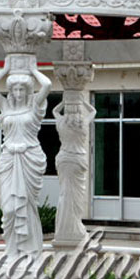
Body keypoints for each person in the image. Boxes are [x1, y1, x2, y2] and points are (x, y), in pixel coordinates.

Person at [0, 57, 51, 262]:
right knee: (10, 208)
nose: (19, 93)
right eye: (15, 89)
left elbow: (47, 84)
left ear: (28, 91)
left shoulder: (34, 107)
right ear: (11, 91)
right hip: (9, 160)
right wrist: (5, 70)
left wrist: (34, 70)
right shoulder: (5, 106)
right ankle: (13, 251)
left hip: (29, 158)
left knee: (28, 207)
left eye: (23, 89)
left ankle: (29, 252)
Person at [53, 97, 95, 241]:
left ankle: (63, 227)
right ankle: (73, 226)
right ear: (78, 111)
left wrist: (65, 102)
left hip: (64, 158)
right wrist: (82, 101)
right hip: (77, 160)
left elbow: (54, 111)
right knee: (76, 195)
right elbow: (93, 111)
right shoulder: (82, 123)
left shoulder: (61, 123)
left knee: (65, 192)